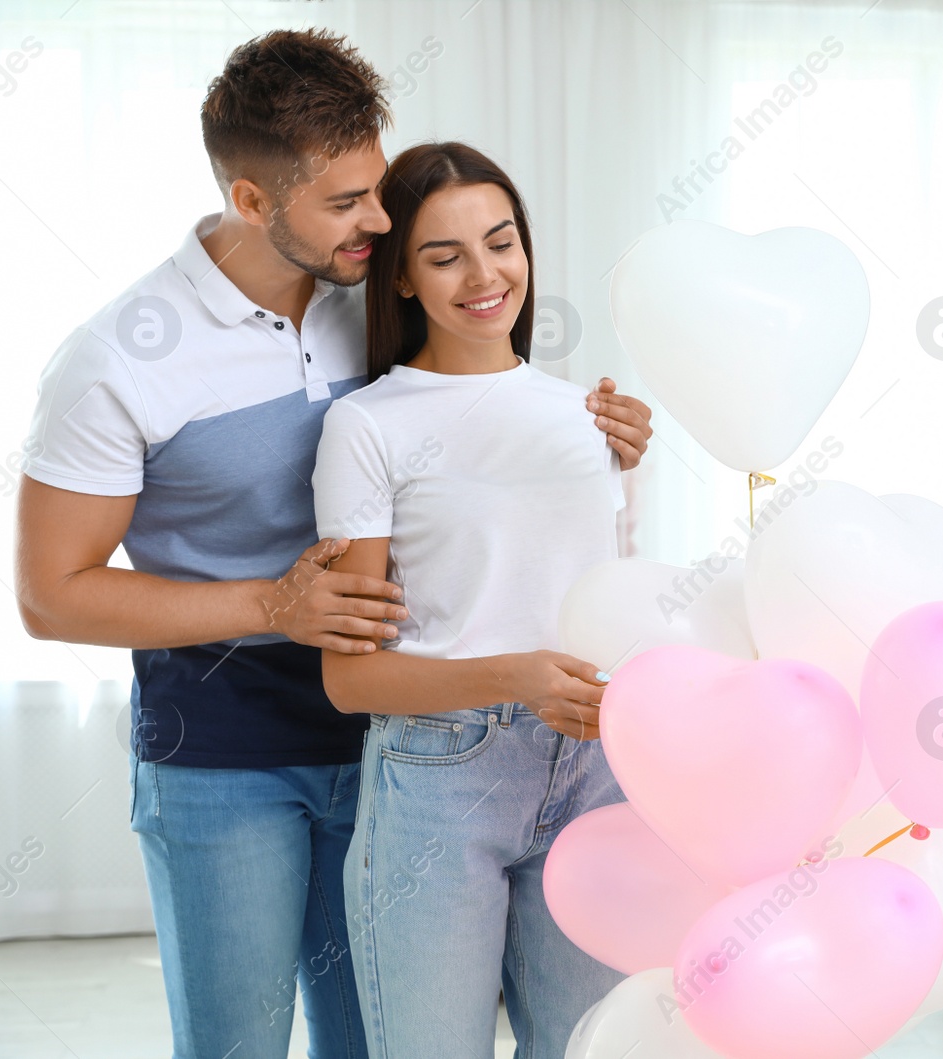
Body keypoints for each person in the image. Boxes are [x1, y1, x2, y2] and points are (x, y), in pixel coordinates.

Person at [13, 30, 651, 1059]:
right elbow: (51, 596)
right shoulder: (118, 360)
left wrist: (605, 438)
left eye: (376, 187)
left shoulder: (380, 295)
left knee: (376, 1039)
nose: (380, 220)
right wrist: (268, 605)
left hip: (403, 741)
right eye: (347, 202)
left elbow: (474, 439)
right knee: (239, 1042)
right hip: (227, 751)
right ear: (253, 202)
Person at [311, 140, 633, 1059]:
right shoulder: (367, 424)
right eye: (445, 256)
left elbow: (614, 596)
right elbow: (349, 676)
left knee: (587, 1047)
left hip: (596, 766)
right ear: (403, 280)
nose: (484, 276)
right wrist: (518, 676)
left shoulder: (591, 416)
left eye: (502, 243)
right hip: (440, 777)